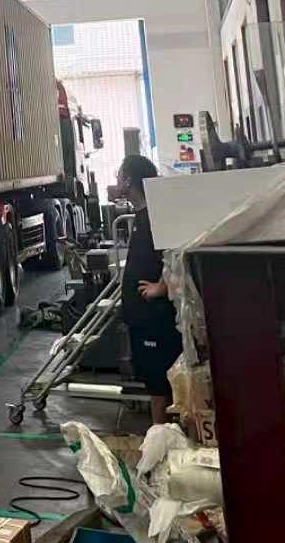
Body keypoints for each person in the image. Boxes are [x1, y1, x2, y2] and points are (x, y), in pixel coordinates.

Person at [115, 156, 181, 425]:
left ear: (128, 180)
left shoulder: (156, 214)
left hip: (154, 315)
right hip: (142, 316)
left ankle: (161, 435)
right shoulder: (143, 215)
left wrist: (161, 287)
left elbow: (177, 253)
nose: (116, 180)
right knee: (155, 382)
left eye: (120, 175)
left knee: (159, 383)